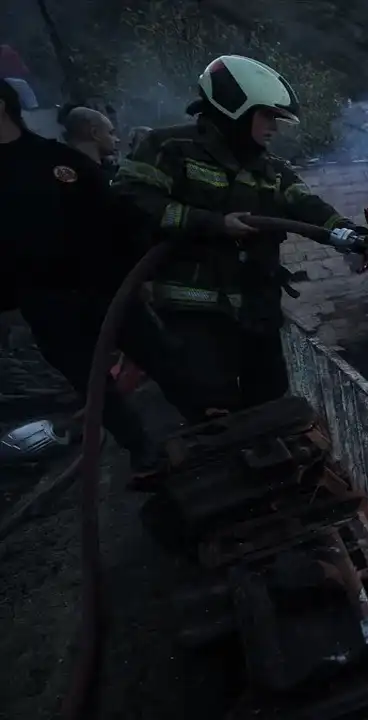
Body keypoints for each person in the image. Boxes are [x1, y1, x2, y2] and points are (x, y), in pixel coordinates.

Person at [113, 55, 368, 412]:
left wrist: (349, 235)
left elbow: (306, 205)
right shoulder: (169, 149)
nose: (274, 128)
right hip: (196, 311)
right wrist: (213, 223)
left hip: (255, 307)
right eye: (268, 116)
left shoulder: (270, 169)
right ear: (235, 107)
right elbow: (131, 199)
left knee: (270, 402)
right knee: (210, 407)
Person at [0, 79, 203, 476]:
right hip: (45, 305)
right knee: (92, 386)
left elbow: (116, 218)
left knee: (162, 359)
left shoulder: (56, 161)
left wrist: (142, 269)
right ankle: (142, 451)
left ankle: (210, 422)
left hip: (106, 290)